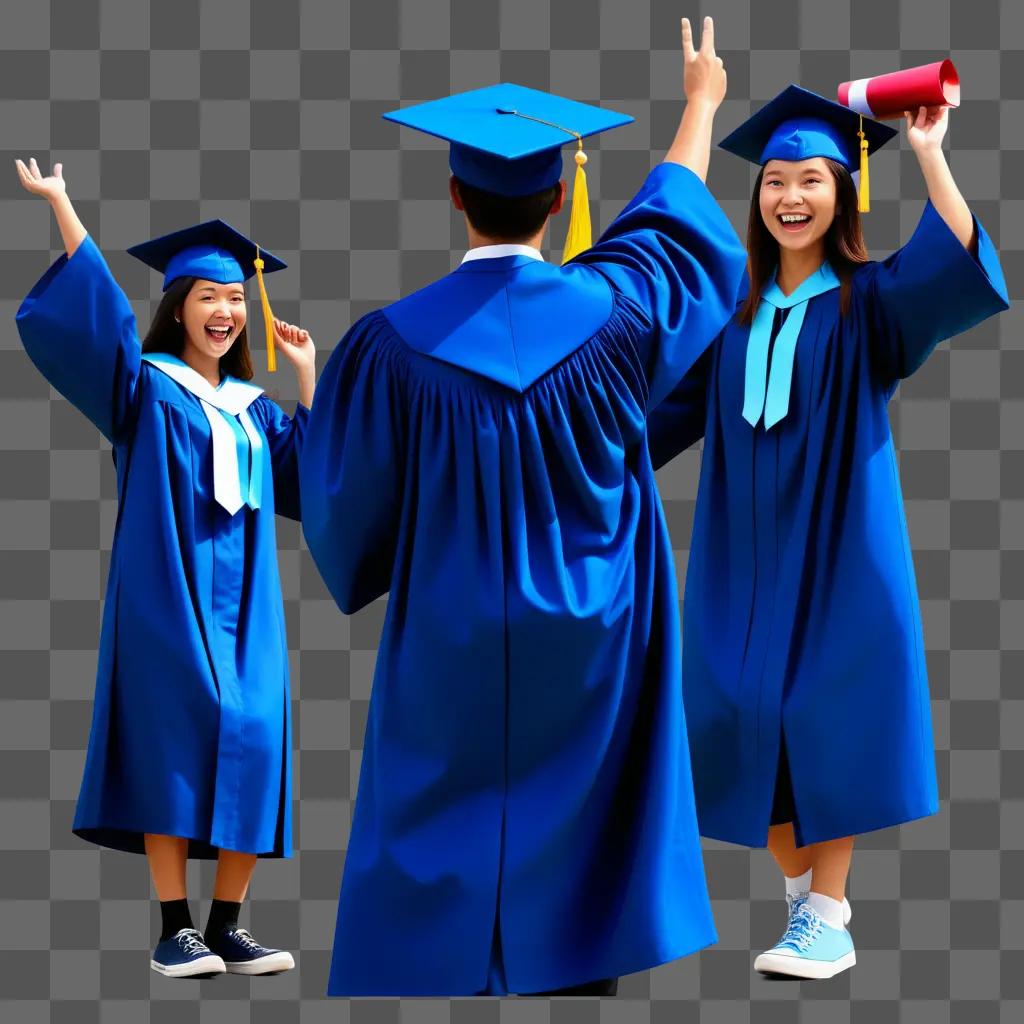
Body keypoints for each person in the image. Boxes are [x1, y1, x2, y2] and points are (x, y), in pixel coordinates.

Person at [299, 17, 746, 997]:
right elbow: (671, 224)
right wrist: (699, 103)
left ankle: (447, 957)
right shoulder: (619, 310)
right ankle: (583, 962)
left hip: (450, 639)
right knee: (588, 825)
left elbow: (344, 504)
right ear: (557, 200)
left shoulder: (388, 346)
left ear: (453, 194)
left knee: (446, 807)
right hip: (596, 635)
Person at [645, 86, 1009, 980]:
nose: (791, 196)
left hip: (840, 552)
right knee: (727, 721)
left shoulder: (869, 302)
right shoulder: (730, 313)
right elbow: (654, 417)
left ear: (845, 194)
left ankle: (829, 914)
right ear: (758, 197)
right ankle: (814, 897)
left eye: (812, 179)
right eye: (775, 181)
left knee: (822, 719)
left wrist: (929, 153)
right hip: (738, 563)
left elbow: (956, 261)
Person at [14, 157, 317, 980]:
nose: (222, 311)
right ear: (176, 307)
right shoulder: (146, 389)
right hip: (168, 591)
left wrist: (306, 379)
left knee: (255, 732)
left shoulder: (255, 411)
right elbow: (98, 320)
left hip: (248, 602)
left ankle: (229, 924)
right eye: (206, 297)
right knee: (175, 736)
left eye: (231, 299)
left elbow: (314, 481)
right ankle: (173, 927)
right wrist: (65, 208)